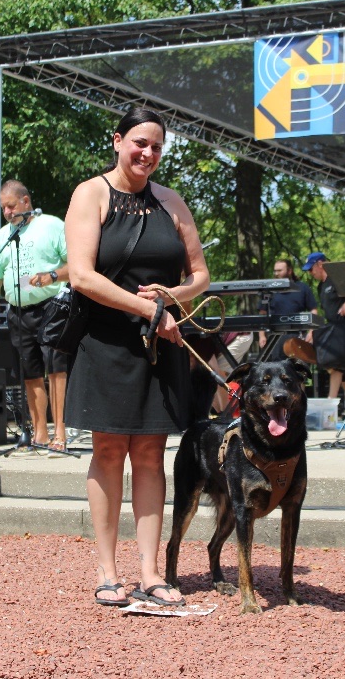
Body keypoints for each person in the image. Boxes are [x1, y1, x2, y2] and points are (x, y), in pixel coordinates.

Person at [64, 107, 210, 607]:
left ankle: (150, 573)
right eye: (139, 143)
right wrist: (149, 309)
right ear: (117, 140)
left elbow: (200, 276)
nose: (147, 153)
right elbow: (82, 276)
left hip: (159, 345)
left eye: (156, 147)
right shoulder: (91, 194)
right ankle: (108, 573)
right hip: (105, 342)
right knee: (108, 452)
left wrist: (172, 295)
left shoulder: (171, 201)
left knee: (150, 455)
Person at [0, 180, 71, 454]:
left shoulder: (52, 225)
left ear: (26, 201)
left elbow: (78, 264)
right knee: (30, 372)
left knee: (55, 368)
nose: (7, 212)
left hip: (52, 306)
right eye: (3, 208)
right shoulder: (3, 236)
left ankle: (60, 432)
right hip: (19, 311)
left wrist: (51, 276)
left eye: (11, 206)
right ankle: (39, 432)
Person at [304, 251, 345, 407]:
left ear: (320, 264)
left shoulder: (337, 278)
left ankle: (329, 406)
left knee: (335, 366)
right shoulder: (321, 286)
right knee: (342, 371)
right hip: (334, 330)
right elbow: (325, 312)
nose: (310, 273)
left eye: (311, 269)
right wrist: (313, 330)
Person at [257, 258, 317, 360]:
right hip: (274, 337)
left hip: (297, 336)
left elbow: (313, 310)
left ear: (289, 271)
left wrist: (311, 332)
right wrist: (261, 336)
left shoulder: (303, 288)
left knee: (298, 367)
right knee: (276, 367)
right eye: (275, 271)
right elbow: (262, 313)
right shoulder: (268, 291)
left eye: (279, 270)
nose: (276, 273)